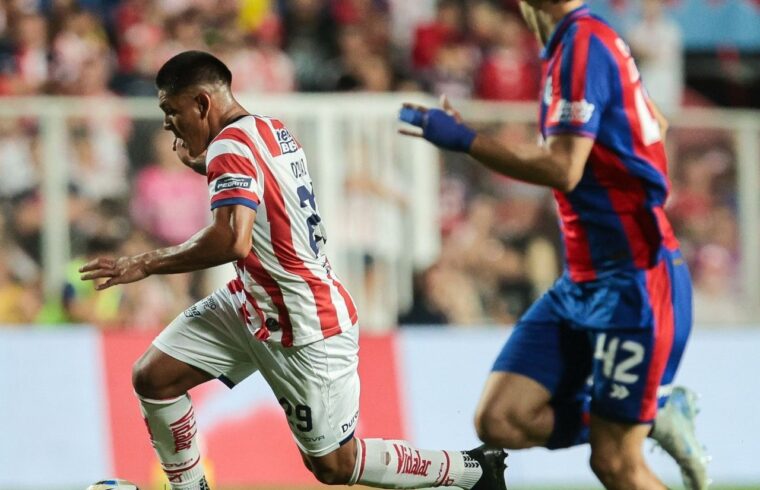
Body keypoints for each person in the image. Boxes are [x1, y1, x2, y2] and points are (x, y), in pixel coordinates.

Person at [80, 50, 507, 490]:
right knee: (155, 377)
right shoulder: (271, 130)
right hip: (251, 301)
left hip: (301, 322)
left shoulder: (229, 146)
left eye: (171, 111)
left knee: (334, 466)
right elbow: (260, 190)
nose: (168, 124)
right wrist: (205, 164)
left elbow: (232, 240)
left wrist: (144, 262)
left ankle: (472, 471)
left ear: (202, 103)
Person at [399, 1, 708, 489]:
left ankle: (644, 414)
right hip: (583, 280)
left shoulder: (583, 43)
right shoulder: (578, 42)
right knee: (501, 419)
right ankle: (653, 412)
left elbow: (564, 168)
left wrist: (467, 141)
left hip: (635, 281)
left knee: (615, 463)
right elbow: (656, 123)